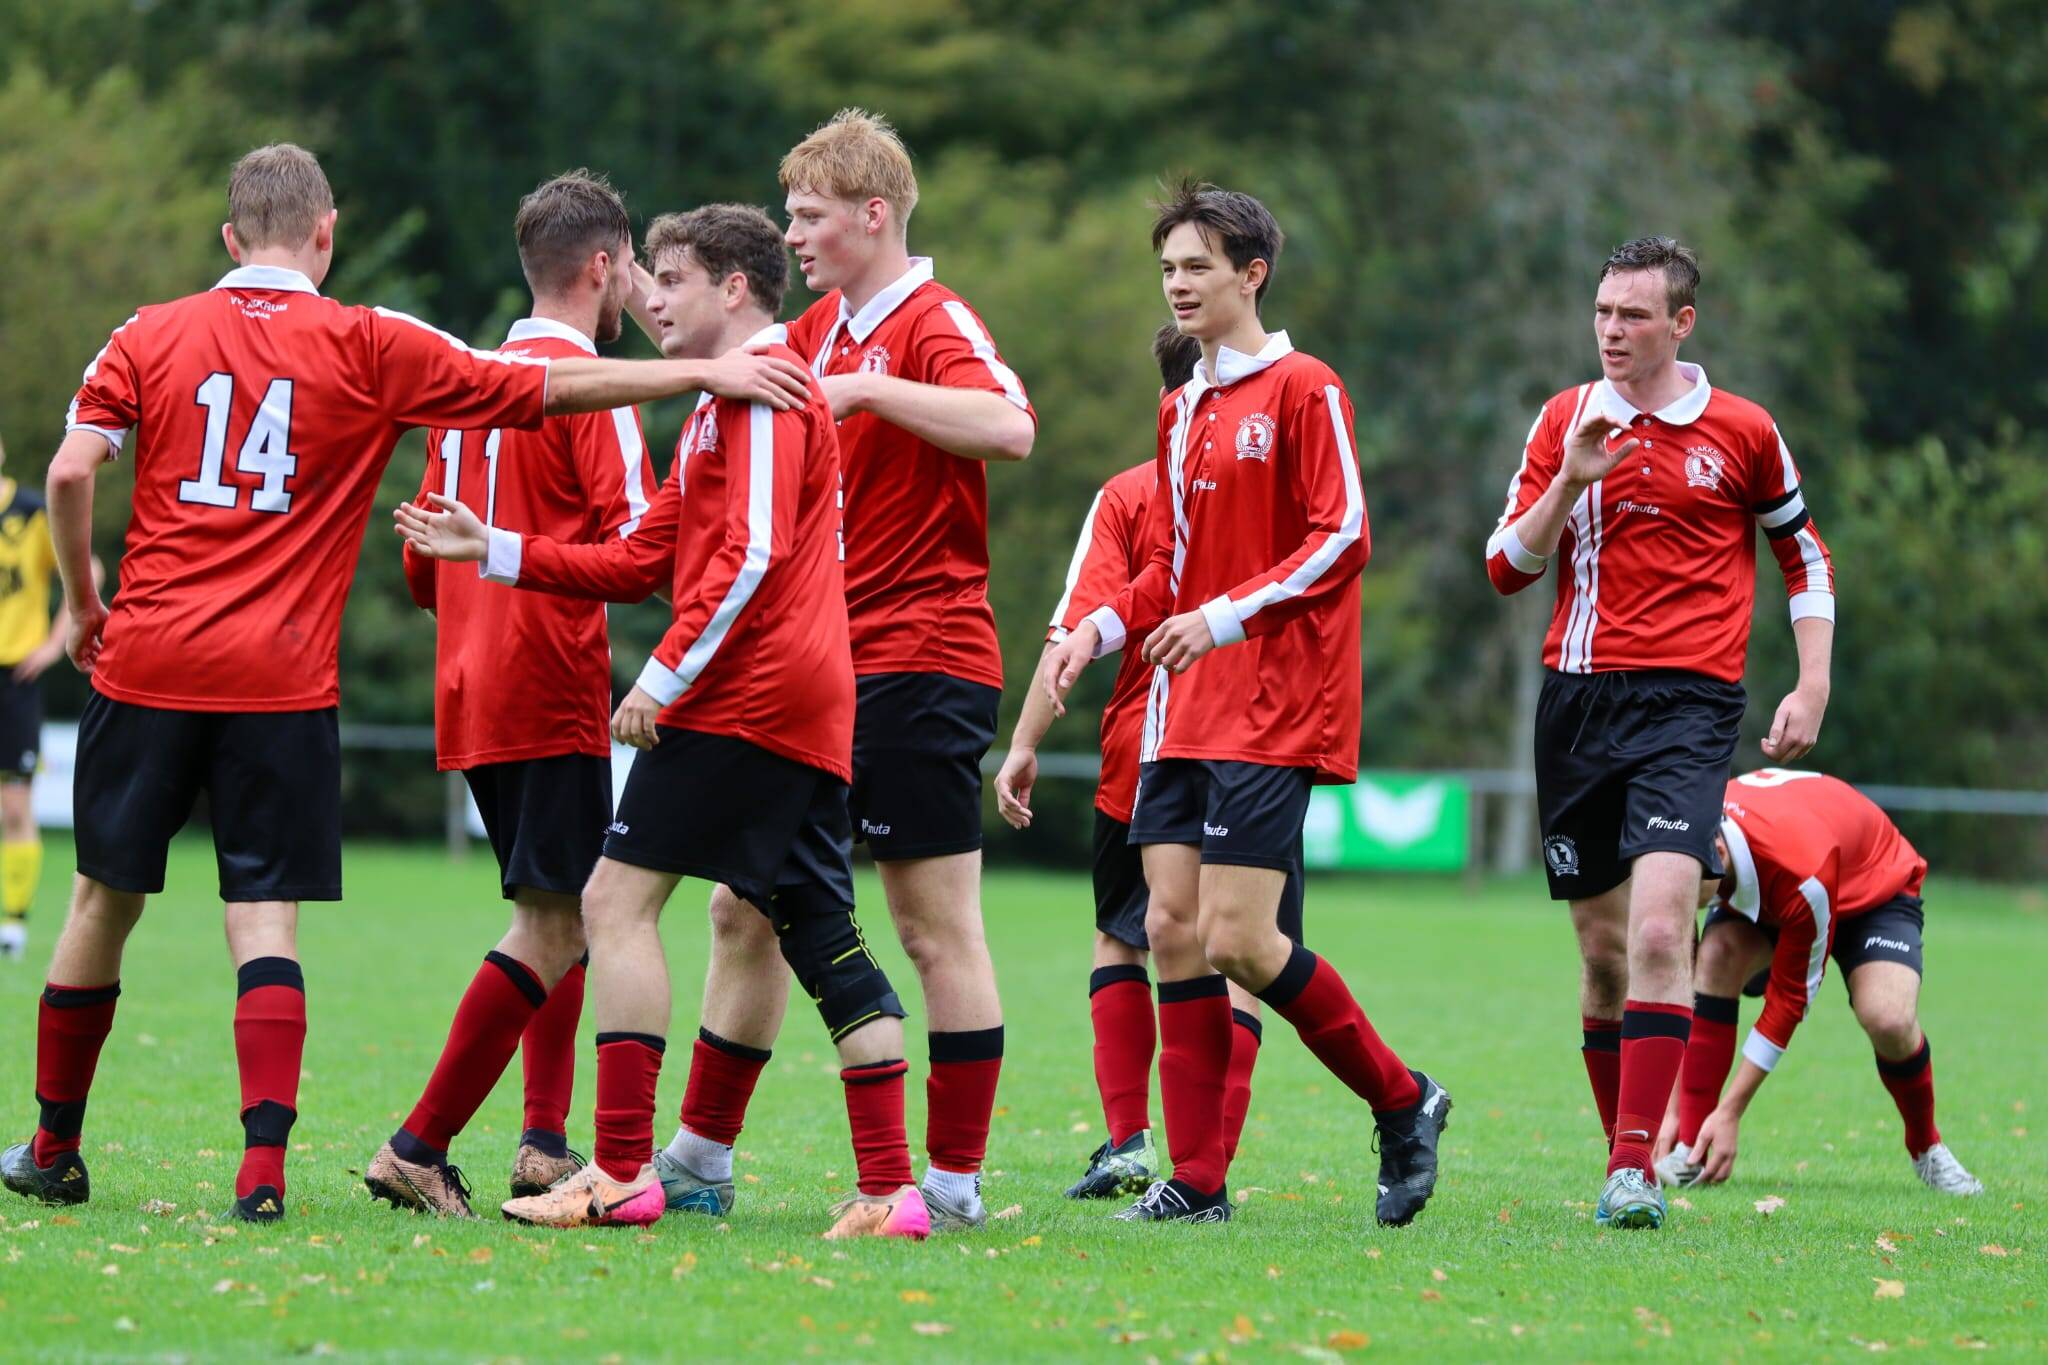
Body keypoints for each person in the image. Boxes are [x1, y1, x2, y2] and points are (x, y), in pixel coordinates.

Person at [0, 142, 816, 1222]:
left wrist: (83, 600)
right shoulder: (374, 341)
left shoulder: (147, 333)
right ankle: (294, 1168)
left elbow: (68, 470)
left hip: (173, 659)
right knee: (286, 919)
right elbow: (551, 406)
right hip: (311, 679)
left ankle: (55, 1143)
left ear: (229, 238)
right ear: (327, 233)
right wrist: (701, 375)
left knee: (105, 901)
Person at [398, 204, 928, 1239]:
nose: (650, 297)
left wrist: (663, 680)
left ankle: (624, 1170)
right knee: (822, 941)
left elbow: (757, 555)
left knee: (611, 902)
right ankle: (888, 1191)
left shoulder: (769, 392)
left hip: (748, 700)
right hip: (783, 703)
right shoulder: (717, 405)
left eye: (673, 280)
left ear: (735, 288)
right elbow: (640, 559)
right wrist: (490, 548)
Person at [650, 109, 1034, 1234]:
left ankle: (952, 1186)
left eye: (810, 216)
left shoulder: (929, 318)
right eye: (788, 215)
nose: (793, 233)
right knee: (741, 908)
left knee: (930, 925)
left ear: (874, 216)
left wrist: (868, 393)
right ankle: (701, 1160)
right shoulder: (808, 331)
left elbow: (1009, 427)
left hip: (922, 658)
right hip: (817, 669)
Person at [1041, 182, 1449, 1228]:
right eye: (1167, 268)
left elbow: (1343, 535)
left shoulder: (1307, 387)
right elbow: (1167, 563)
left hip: (1272, 701)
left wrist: (1221, 620)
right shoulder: (1181, 409)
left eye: (1195, 267)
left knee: (1237, 941)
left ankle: (1403, 1102)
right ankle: (1199, 1182)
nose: (1176, 284)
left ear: (1249, 273)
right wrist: (1099, 629)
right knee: (1169, 930)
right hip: (1182, 706)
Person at [1483, 235, 1836, 1229]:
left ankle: (1635, 1169)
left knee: (1656, 929)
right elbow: (1504, 569)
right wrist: (1568, 481)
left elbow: (1801, 559)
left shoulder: (1742, 430)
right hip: (1576, 702)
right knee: (1600, 958)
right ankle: (1620, 1154)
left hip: (1688, 708)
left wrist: (1809, 684)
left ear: (1680, 323)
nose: (1611, 332)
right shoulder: (1563, 419)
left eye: (1632, 316)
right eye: (1601, 314)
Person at [362, 171, 657, 1217]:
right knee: (557, 920)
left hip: (469, 684)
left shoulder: (465, 385)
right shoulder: (592, 388)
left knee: (562, 905)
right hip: (546, 679)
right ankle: (418, 1144)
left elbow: (416, 567)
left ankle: (541, 1139)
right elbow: (641, 544)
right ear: (601, 267)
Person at [996, 323, 1307, 1201]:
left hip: (1151, 747)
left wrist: (1023, 741)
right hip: (1261, 742)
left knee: (1124, 937)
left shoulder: (1133, 496)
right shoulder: (1273, 485)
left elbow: (1076, 629)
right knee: (1242, 945)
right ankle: (1208, 1160)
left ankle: (1133, 1139)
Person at [1651, 768, 1982, 1195]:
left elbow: (1789, 1001)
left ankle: (1927, 1148)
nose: (1676, 898)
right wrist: (1671, 1109)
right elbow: (1681, 984)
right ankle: (1692, 1148)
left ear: (1718, 853)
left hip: (1871, 892)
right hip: (1782, 891)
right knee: (1714, 955)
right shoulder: (1695, 835)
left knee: (1888, 1020)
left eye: (1685, 889)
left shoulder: (1799, 870)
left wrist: (1732, 1111)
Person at [0, 430, 76, 961]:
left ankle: (12, 923)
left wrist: (53, 644)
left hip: (13, 682)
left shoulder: (29, 512)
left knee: (13, 806)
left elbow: (84, 569)